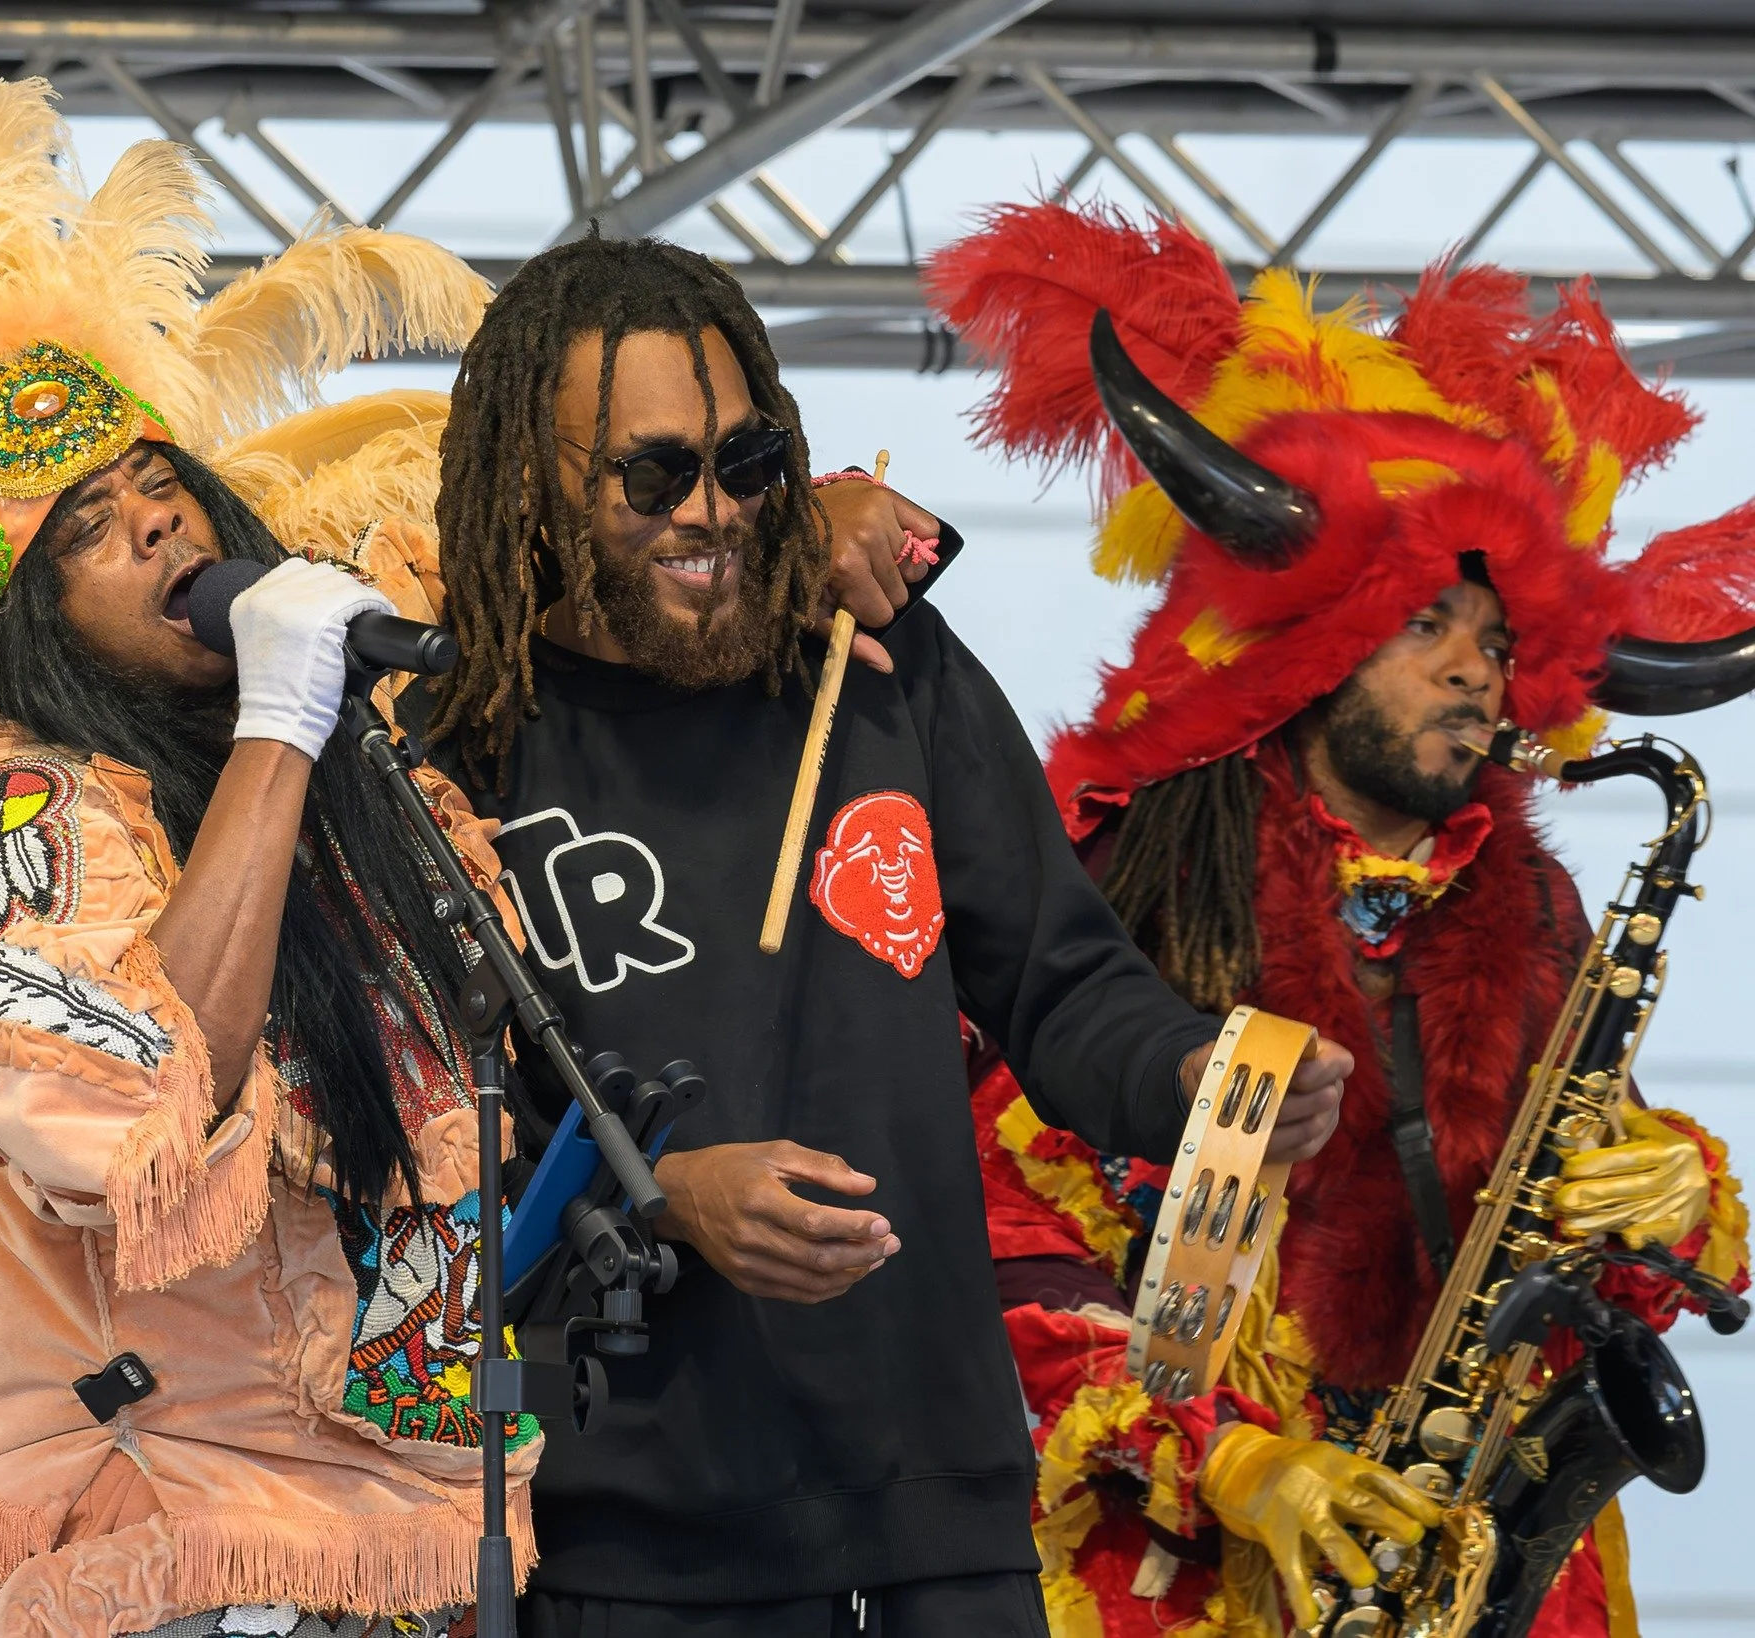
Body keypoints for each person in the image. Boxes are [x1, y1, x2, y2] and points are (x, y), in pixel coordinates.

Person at [0, 4, 542, 1630]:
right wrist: (283, 726)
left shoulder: (340, 782)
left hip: (413, 1551)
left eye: (165, 485)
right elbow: (129, 1110)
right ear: (25, 616)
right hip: (154, 1551)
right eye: (92, 525)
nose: (158, 519)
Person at [417, 232, 1355, 1638]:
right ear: (531, 482)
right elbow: (428, 1154)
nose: (715, 512)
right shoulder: (454, 754)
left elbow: (1061, 979)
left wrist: (1199, 1079)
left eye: (748, 462)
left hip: (943, 1515)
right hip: (628, 1544)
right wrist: (669, 1191)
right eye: (654, 474)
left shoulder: (878, 671)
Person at [925, 203, 1755, 1638]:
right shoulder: (1122, 878)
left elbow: (1575, 1207)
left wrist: (1673, 1194)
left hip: (1495, 1558)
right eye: (1427, 623)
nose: (1475, 672)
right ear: (1312, 639)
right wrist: (1241, 1460)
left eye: (1498, 641)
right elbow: (1000, 1237)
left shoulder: (1536, 905)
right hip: (1200, 1571)